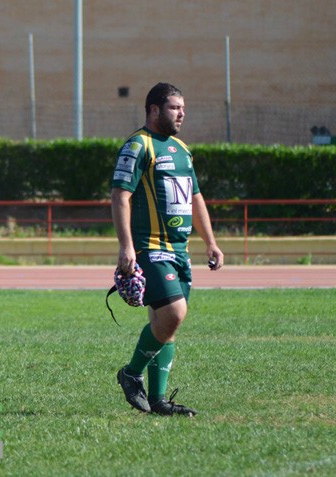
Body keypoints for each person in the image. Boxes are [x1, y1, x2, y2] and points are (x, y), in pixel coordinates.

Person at [111, 82, 223, 416]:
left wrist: (211, 242)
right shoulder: (138, 145)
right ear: (154, 109)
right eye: (175, 107)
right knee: (174, 314)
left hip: (179, 250)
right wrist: (126, 245)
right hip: (150, 248)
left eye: (183, 108)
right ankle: (131, 374)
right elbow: (120, 195)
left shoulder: (181, 150)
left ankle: (159, 401)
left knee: (166, 326)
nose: (182, 113)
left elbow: (195, 198)